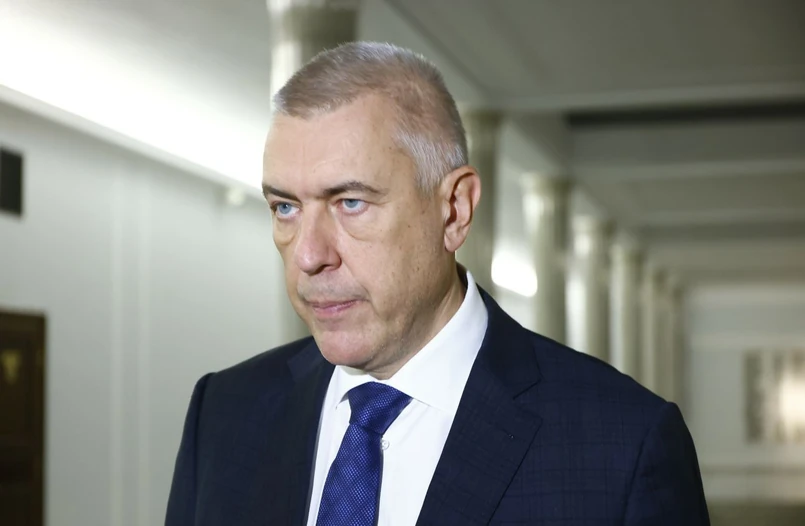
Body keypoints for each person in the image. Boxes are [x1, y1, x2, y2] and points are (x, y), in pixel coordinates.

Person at [165, 41, 710, 526]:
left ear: (454, 210)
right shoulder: (224, 413)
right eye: (285, 207)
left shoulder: (624, 446)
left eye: (350, 203)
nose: (308, 256)